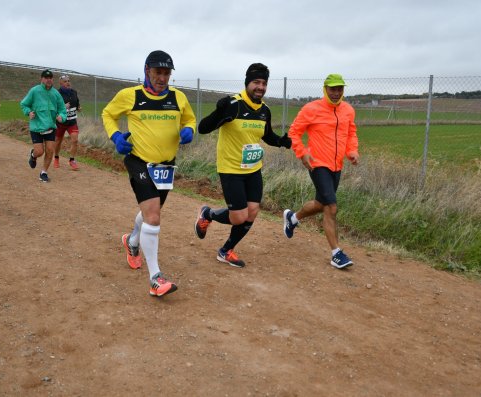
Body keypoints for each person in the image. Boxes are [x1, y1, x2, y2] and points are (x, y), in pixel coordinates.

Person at [102, 50, 196, 298]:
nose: (162, 78)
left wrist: (189, 130)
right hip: (139, 161)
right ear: (147, 71)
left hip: (166, 166)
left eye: (166, 73)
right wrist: (115, 137)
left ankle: (132, 241)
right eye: (158, 72)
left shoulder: (178, 97)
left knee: (151, 213)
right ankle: (155, 278)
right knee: (153, 215)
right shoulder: (130, 96)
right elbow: (108, 114)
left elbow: (190, 119)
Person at [193, 63, 291, 268]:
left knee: (252, 211)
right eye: (256, 82)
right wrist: (218, 112)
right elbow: (203, 128)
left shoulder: (264, 110)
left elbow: (266, 136)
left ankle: (226, 250)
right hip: (230, 169)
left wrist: (282, 141)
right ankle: (207, 214)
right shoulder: (233, 104)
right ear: (247, 83)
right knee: (239, 217)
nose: (260, 87)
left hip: (253, 168)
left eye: (264, 83)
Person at [282, 74, 359, 269]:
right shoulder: (311, 109)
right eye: (332, 89)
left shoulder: (348, 110)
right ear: (325, 89)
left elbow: (351, 133)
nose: (336, 93)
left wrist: (352, 151)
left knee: (320, 204)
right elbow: (294, 133)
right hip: (317, 164)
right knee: (331, 207)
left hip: (336, 165)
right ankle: (336, 253)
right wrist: (302, 153)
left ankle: (293, 218)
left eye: (340, 89)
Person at [20, 69, 67, 182]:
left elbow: (62, 109)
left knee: (50, 150)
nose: (48, 80)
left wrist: (62, 116)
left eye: (50, 78)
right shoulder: (34, 91)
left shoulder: (56, 93)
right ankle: (33, 155)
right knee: (39, 152)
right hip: (36, 127)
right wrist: (28, 112)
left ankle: (43, 172)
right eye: (46, 78)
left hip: (51, 126)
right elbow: (24, 104)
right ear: (41, 79)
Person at [54, 75, 81, 170]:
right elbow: (53, 108)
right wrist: (63, 107)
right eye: (65, 81)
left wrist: (78, 108)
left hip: (72, 122)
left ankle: (72, 160)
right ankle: (56, 158)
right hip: (61, 122)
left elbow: (77, 104)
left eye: (69, 81)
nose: (68, 82)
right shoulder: (57, 93)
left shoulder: (74, 92)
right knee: (58, 141)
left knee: (75, 140)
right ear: (61, 83)